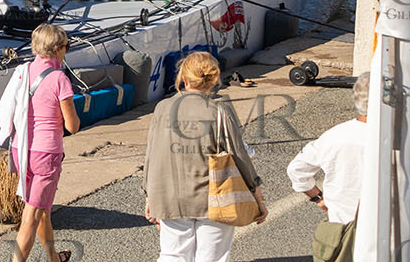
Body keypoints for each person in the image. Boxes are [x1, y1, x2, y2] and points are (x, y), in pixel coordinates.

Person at [144, 50, 267, 261]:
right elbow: (239, 156)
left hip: (168, 194)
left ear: (184, 78)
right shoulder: (219, 111)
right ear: (214, 80)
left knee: (173, 255)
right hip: (214, 195)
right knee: (212, 257)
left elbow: (152, 154)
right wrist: (257, 195)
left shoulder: (162, 108)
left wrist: (149, 195)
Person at [0, 24, 81, 262]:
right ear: (57, 49)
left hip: (21, 149)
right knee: (31, 216)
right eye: (66, 46)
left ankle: (54, 258)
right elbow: (72, 126)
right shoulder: (59, 78)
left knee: (42, 209)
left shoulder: (24, 70)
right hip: (46, 153)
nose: (66, 51)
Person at [287, 74, 369, 261]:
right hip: (391, 229)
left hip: (342, 227)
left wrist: (318, 197)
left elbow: (297, 169)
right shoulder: (400, 136)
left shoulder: (335, 136)